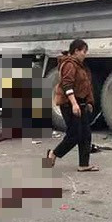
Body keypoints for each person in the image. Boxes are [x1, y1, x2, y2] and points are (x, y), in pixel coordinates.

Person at [46, 39, 99, 172]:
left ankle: (83, 164)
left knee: (86, 134)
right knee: (74, 135)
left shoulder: (80, 66)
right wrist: (74, 104)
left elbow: (85, 85)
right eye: (84, 51)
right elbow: (67, 85)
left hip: (80, 103)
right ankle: (53, 153)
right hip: (69, 105)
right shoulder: (69, 64)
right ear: (76, 51)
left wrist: (89, 102)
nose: (85, 54)